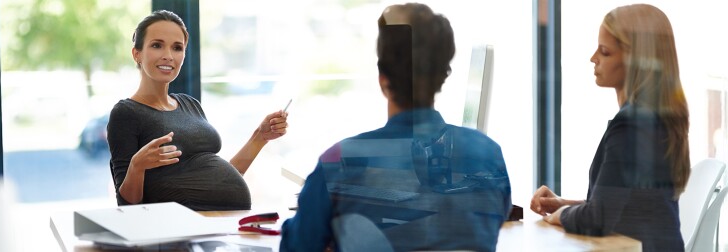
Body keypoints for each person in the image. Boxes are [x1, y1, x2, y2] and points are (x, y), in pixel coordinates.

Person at [280, 3, 511, 252]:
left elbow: (297, 246)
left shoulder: (339, 161)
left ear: (383, 80)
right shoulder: (490, 154)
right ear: (443, 76)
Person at [529, 4, 689, 251]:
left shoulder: (632, 125)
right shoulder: (652, 118)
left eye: (604, 52)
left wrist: (560, 215)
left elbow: (599, 218)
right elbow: (624, 205)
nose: (593, 58)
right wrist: (562, 204)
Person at [107, 10, 288, 211]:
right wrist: (137, 166)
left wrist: (260, 137)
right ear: (137, 54)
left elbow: (224, 177)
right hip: (179, 232)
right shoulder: (126, 113)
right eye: (157, 45)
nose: (168, 56)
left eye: (177, 48)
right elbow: (127, 205)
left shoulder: (190, 104)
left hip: (224, 225)